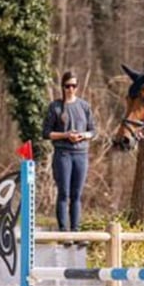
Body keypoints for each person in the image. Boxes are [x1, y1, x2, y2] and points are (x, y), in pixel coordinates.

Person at [42, 71, 95, 247]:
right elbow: (46, 133)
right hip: (63, 154)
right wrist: (65, 135)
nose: (70, 89)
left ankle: (76, 231)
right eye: (67, 86)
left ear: (77, 87)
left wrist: (83, 135)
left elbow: (93, 130)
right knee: (64, 193)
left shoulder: (84, 106)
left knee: (76, 195)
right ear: (63, 87)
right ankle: (64, 232)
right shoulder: (55, 107)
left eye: (73, 86)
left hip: (81, 154)